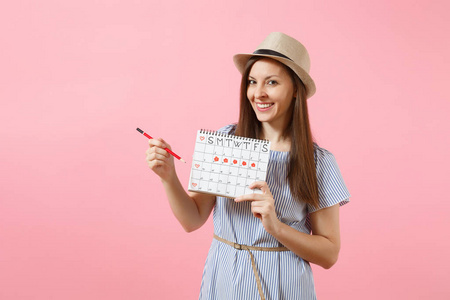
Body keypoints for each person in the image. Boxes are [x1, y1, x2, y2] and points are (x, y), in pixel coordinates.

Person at [145, 32, 350, 300]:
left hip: (283, 288)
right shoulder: (226, 140)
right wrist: (168, 177)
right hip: (224, 279)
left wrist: (276, 226)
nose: (258, 93)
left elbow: (329, 253)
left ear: (296, 90)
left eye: (272, 82)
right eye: (252, 82)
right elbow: (192, 219)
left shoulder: (318, 163)